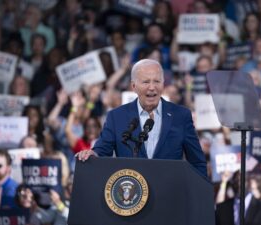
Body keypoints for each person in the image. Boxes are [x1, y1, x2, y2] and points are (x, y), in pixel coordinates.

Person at [76, 59, 207, 176]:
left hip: (170, 194)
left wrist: (200, 196)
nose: (152, 87)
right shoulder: (116, 116)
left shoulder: (181, 115)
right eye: (146, 82)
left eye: (157, 81)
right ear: (134, 86)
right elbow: (102, 150)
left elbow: (197, 162)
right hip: (131, 195)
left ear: (163, 84)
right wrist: (93, 154)